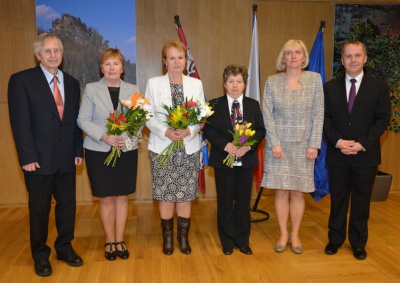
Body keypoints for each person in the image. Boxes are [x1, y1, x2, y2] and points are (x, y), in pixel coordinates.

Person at [8, 33, 83, 277]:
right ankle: (40, 254)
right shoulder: (21, 81)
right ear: (38, 54)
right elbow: (20, 123)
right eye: (48, 51)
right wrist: (27, 157)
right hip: (37, 160)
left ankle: (64, 247)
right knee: (39, 209)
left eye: (57, 51)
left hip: (66, 159)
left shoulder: (71, 83)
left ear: (62, 54)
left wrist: (76, 150)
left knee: (67, 207)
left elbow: (72, 122)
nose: (53, 55)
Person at [323, 40, 391, 260]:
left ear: (365, 58)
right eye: (348, 56)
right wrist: (338, 142)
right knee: (338, 200)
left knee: (361, 202)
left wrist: (362, 144)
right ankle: (335, 239)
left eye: (357, 55)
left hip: (366, 155)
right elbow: (324, 119)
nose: (353, 60)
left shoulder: (379, 86)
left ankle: (358, 243)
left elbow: (382, 120)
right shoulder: (329, 87)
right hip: (337, 154)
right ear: (342, 61)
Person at [261, 39, 324, 254]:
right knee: (280, 191)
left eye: (298, 52)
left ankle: (295, 235)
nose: (294, 56)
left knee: (298, 193)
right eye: (289, 52)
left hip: (305, 147)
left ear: (304, 57)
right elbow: (267, 115)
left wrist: (314, 144)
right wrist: (275, 143)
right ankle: (282, 234)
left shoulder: (315, 80)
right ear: (283, 58)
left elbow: (319, 115)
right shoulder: (272, 81)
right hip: (279, 147)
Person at [77, 48, 140, 261]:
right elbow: (82, 119)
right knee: (105, 198)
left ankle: (120, 239)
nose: (111, 68)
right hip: (98, 150)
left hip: (126, 149)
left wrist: (126, 137)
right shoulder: (91, 89)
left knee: (122, 196)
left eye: (116, 63)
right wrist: (104, 136)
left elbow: (140, 120)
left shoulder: (134, 90)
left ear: (122, 68)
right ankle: (109, 240)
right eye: (107, 64)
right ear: (101, 68)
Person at [145, 40, 204, 255]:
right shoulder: (153, 84)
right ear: (164, 61)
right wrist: (165, 131)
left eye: (180, 57)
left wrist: (190, 130)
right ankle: (168, 238)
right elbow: (147, 115)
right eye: (172, 57)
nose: (176, 62)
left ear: (185, 60)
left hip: (188, 147)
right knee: (166, 195)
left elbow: (202, 115)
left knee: (186, 195)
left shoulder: (195, 84)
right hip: (163, 147)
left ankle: (183, 238)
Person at [203, 64, 266, 255]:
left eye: (239, 81)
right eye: (231, 81)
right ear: (224, 84)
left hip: (245, 162)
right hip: (223, 160)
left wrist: (248, 146)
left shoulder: (253, 105)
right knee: (225, 202)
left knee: (242, 203)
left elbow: (261, 130)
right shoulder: (214, 104)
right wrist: (225, 145)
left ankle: (242, 240)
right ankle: (227, 241)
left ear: (244, 84)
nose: (235, 85)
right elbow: (208, 129)